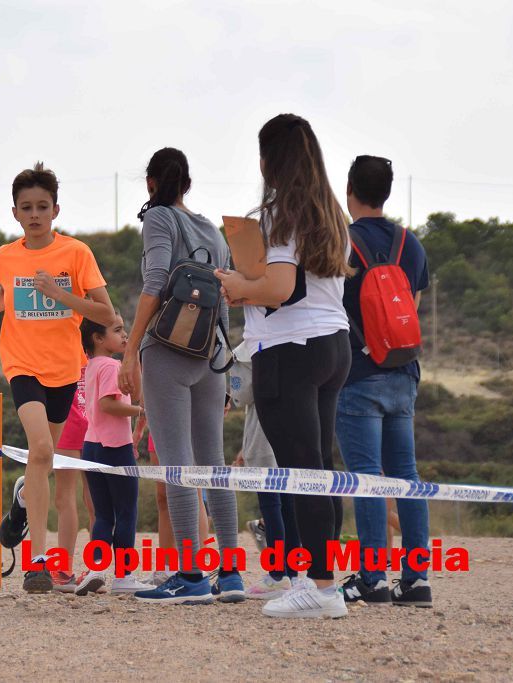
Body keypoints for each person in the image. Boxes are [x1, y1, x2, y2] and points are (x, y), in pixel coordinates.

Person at [214, 113, 352, 618]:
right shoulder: (330, 213)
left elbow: (279, 288)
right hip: (332, 343)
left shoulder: (279, 213)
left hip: (288, 349)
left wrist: (235, 286)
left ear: (270, 159)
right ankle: (314, 580)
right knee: (320, 470)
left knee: (301, 474)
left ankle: (319, 589)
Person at [0, 162, 115, 594]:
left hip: (65, 367)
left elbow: (106, 314)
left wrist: (60, 295)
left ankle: (21, 497)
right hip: (21, 363)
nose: (34, 214)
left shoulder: (76, 254)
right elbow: (6, 289)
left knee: (47, 459)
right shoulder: (5, 255)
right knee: (40, 449)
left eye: (42, 206)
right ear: (15, 213)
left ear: (55, 210)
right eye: (26, 207)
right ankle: (37, 563)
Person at [118, 147, 244, 606]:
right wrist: (226, 367)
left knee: (177, 464)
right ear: (187, 183)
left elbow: (154, 282)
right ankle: (230, 575)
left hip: (168, 353)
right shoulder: (212, 228)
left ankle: (190, 577)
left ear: (151, 182)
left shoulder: (158, 219)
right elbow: (226, 296)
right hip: (211, 355)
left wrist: (131, 350)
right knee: (214, 465)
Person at [335, 155, 432, 608]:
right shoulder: (410, 244)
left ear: (349, 188)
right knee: (407, 476)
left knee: (366, 477)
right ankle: (416, 581)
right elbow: (407, 306)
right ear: (387, 191)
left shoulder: (342, 244)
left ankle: (372, 577)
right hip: (402, 371)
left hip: (358, 372)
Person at [73, 313, 154, 595]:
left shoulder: (92, 365)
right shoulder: (110, 365)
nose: (124, 335)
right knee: (126, 512)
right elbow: (108, 404)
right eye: (118, 330)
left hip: (91, 445)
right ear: (97, 338)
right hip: (115, 448)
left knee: (104, 514)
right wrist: (141, 412)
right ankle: (124, 576)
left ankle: (96, 567)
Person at [229, 341, 301, 600]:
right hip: (292, 432)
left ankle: (276, 574)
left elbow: (243, 394)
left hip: (263, 436)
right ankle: (292, 573)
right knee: (289, 504)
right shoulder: (295, 342)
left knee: (271, 507)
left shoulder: (252, 345)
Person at [132, 421, 209, 586]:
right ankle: (167, 568)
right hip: (158, 422)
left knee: (194, 492)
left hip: (188, 422)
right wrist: (140, 426)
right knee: (163, 497)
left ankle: (197, 565)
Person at [47, 352, 96, 592]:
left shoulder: (64, 341)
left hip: (68, 421)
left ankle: (64, 571)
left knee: (65, 498)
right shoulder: (102, 347)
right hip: (97, 424)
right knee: (95, 500)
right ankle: (97, 569)